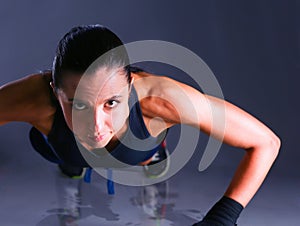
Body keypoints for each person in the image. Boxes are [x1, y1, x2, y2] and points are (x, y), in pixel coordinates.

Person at [0, 25, 280, 226]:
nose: (95, 126)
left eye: (111, 103)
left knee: (138, 149)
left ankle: (151, 157)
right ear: (55, 91)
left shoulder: (162, 101)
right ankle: (72, 164)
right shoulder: (34, 98)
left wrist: (221, 219)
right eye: (79, 104)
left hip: (136, 147)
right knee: (70, 152)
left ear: (130, 85)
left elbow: (265, 143)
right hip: (60, 146)